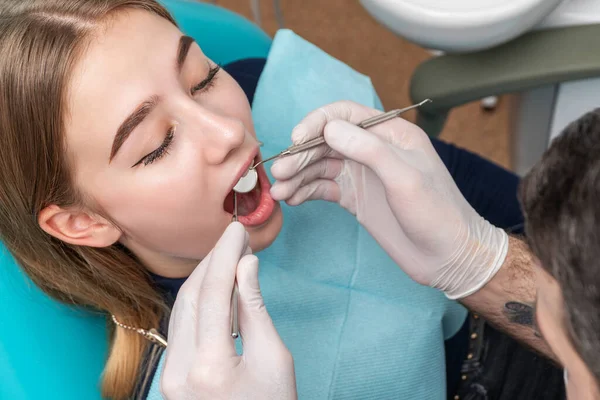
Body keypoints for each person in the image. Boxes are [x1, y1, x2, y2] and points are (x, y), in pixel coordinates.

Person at [0, 1, 471, 399]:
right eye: (157, 145)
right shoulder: (186, 380)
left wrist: (479, 258)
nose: (230, 131)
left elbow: (522, 221)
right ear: (83, 222)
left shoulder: (274, 91)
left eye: (202, 78)